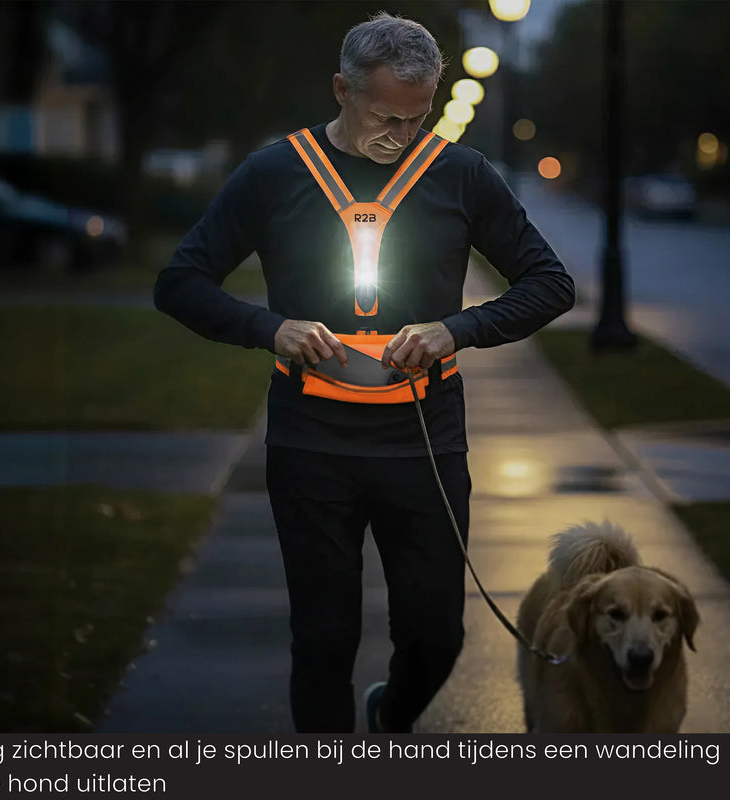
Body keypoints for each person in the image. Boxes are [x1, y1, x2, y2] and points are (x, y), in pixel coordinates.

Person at [154, 12, 575, 733]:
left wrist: (456, 330)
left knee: (438, 635)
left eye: (419, 117)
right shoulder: (275, 171)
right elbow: (180, 282)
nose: (402, 135)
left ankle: (392, 714)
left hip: (424, 437)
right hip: (311, 440)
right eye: (385, 116)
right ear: (340, 89)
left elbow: (550, 283)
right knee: (323, 640)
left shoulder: (461, 175)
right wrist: (270, 328)